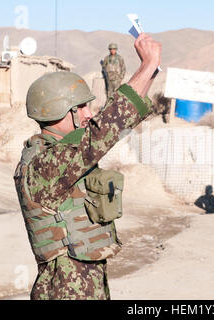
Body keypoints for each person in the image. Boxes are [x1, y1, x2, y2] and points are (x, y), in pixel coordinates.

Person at [13, 33, 162, 300]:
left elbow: (113, 125)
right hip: (65, 289)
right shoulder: (46, 165)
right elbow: (104, 130)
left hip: (79, 282)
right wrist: (146, 66)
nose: (88, 114)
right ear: (61, 111)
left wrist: (150, 73)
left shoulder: (60, 156)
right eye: (81, 108)